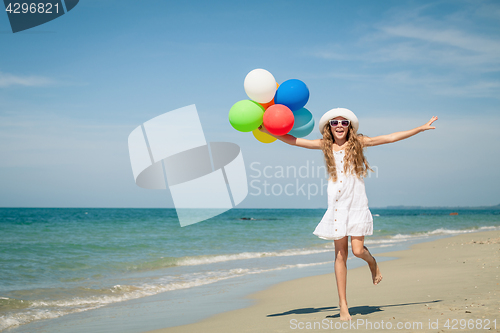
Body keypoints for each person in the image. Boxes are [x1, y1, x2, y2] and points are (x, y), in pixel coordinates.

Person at [259, 108, 438, 321]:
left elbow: (389, 138)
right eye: (335, 122)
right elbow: (294, 140)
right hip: (336, 206)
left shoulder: (359, 142)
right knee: (339, 255)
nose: (340, 126)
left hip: (357, 204)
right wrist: (268, 131)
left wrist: (419, 129)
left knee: (357, 251)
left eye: (344, 122)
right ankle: (343, 305)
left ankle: (372, 262)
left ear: (350, 126)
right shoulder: (324, 145)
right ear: (329, 127)